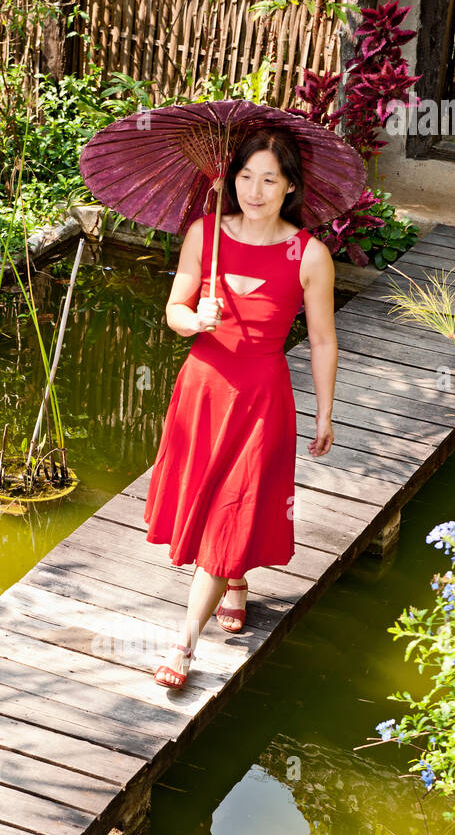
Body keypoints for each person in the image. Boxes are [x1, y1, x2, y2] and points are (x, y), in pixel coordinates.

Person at [144, 128, 337, 689]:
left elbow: (322, 340)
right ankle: (234, 582)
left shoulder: (310, 255)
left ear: (290, 187)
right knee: (206, 500)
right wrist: (193, 320)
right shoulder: (205, 235)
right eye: (245, 176)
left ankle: (183, 646)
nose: (254, 190)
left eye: (269, 179)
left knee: (233, 508)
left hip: (261, 399)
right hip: (202, 391)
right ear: (232, 179)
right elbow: (173, 309)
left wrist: (325, 411)